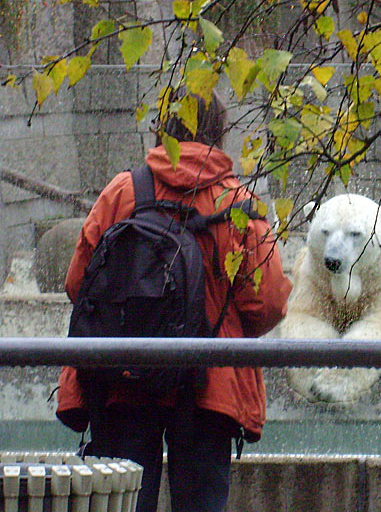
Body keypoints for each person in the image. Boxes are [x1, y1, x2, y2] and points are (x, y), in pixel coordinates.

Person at [56, 89, 291, 512]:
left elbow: (78, 285)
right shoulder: (237, 204)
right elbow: (268, 304)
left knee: (123, 503)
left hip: (122, 378)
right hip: (207, 387)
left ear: (163, 128)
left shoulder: (123, 191)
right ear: (219, 132)